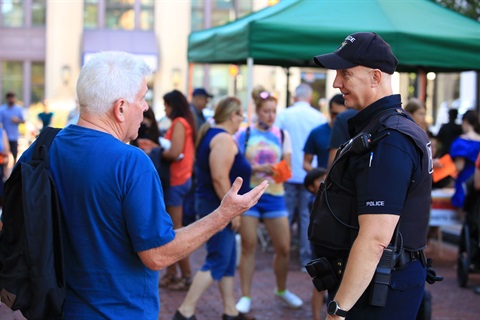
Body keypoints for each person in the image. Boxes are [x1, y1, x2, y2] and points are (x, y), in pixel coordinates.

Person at [15, 51, 268, 319]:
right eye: (142, 98)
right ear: (120, 107)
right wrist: (223, 214)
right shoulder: (131, 162)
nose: (146, 107)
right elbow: (157, 254)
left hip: (55, 310)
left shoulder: (41, 148)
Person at [310, 32, 433, 319]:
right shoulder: (382, 128)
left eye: (346, 73)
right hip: (372, 281)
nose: (336, 83)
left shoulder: (390, 139)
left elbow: (376, 238)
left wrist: (338, 310)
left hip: (378, 288)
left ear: (376, 77)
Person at [174, 96, 252, 320]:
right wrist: (231, 211)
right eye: (241, 116)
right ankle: (185, 310)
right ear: (232, 115)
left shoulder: (215, 135)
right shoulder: (223, 138)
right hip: (217, 206)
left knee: (227, 259)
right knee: (218, 258)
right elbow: (219, 178)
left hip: (214, 204)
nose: (241, 121)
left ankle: (230, 310)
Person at [234, 86, 302, 314]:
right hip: (250, 196)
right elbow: (235, 165)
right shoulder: (244, 134)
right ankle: (245, 295)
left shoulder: (282, 135)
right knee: (249, 245)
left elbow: (289, 169)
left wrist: (276, 170)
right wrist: (255, 167)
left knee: (283, 247)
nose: (270, 115)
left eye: (273, 111)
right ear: (258, 111)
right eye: (266, 111)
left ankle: (281, 289)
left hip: (274, 195)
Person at [274, 83, 327, 269]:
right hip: (309, 174)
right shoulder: (318, 117)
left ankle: (283, 253)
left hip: (288, 173)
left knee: (285, 215)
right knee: (306, 216)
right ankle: (305, 258)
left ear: (295, 97)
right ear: (310, 98)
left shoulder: (284, 114)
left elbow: (275, 139)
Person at [158, 90, 196, 291]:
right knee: (171, 229)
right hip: (181, 179)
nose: (165, 109)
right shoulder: (184, 122)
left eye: (166, 105)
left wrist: (156, 152)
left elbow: (174, 152)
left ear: (173, 105)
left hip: (177, 180)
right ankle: (172, 273)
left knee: (175, 231)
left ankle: (187, 275)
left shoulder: (179, 122)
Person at [303, 167, 328, 320]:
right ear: (311, 187)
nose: (325, 182)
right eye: (320, 180)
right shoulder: (314, 201)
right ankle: (317, 317)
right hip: (319, 248)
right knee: (320, 285)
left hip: (325, 246)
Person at [304, 94, 346, 172]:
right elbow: (306, 163)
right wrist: (320, 176)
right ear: (329, 111)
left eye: (341, 115)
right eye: (334, 114)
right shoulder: (317, 132)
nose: (337, 118)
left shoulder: (353, 131)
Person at [449, 110, 480, 208]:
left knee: (466, 216)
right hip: (478, 179)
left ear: (465, 121)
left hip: (466, 181)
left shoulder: (461, 142)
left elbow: (459, 166)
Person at [0, 92, 25, 163]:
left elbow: (23, 121)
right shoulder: (2, 110)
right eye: (9, 98)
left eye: (12, 98)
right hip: (5, 137)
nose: (11, 100)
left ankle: (13, 168)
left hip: (14, 136)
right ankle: (5, 171)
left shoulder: (18, 109)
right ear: (7, 99)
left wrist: (18, 120)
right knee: (5, 155)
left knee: (14, 154)